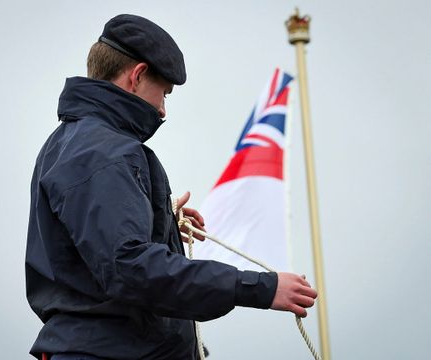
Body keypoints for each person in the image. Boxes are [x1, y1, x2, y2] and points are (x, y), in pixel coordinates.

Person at [25, 14, 317, 360]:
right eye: (163, 92)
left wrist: (160, 221)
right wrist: (261, 288)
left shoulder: (76, 144)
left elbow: (102, 251)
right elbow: (130, 266)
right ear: (137, 76)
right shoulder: (102, 152)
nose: (163, 110)